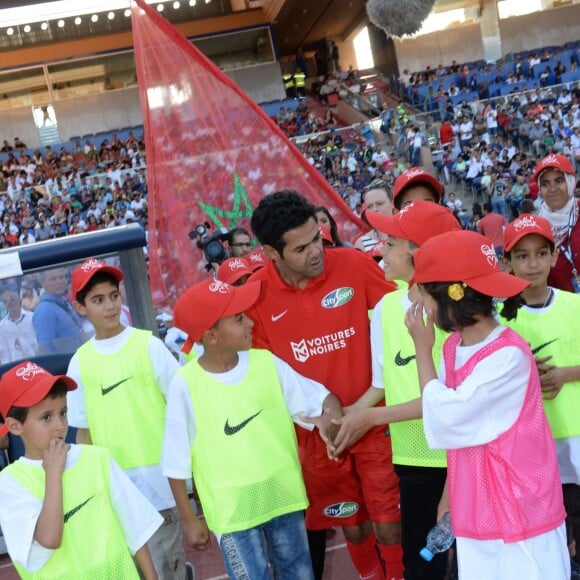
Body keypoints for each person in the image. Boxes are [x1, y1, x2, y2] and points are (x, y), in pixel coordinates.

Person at [247, 190, 402, 580]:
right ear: (270, 252)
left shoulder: (354, 265)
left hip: (373, 422)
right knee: (354, 525)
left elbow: (399, 320)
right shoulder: (255, 296)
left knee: (389, 522)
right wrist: (319, 419)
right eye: (301, 248)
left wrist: (368, 406)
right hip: (319, 439)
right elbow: (268, 375)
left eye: (317, 238)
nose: (316, 251)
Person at [405, 229, 569, 579]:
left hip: (520, 516)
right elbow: (457, 433)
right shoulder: (453, 347)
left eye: (424, 296)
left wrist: (421, 349)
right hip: (478, 510)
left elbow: (447, 418)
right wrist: (450, 498)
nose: (422, 308)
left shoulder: (507, 356)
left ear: (453, 295)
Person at [162, 279, 340, 579]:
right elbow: (175, 462)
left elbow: (320, 399)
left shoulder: (267, 363)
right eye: (239, 318)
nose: (250, 322)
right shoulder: (185, 385)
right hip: (232, 515)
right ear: (211, 335)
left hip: (283, 498)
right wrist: (189, 518)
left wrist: (328, 417)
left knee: (299, 575)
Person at [328, 201, 461, 580]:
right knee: (421, 564)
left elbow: (449, 401)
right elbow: (381, 385)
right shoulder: (386, 308)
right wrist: (347, 418)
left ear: (419, 252)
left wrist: (372, 416)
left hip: (457, 458)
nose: (380, 249)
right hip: (410, 458)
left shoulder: (455, 312)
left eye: (389, 243)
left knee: (465, 561)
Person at [65, 258, 191, 580]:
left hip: (161, 488)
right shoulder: (80, 364)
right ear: (81, 308)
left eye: (113, 296)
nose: (109, 306)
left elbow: (182, 409)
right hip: (116, 491)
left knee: (165, 568)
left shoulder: (148, 346)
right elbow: (84, 435)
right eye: (97, 300)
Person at [0, 360, 162, 578]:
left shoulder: (96, 458)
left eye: (63, 412)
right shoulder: (10, 483)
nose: (59, 424)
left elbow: (136, 529)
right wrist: (53, 474)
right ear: (14, 426)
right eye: (46, 417)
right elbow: (49, 538)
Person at [501, 214, 580, 575]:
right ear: (507, 262)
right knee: (554, 538)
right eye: (522, 256)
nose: (532, 264)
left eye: (540, 254)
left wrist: (566, 373)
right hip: (533, 447)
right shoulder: (498, 318)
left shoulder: (574, 306)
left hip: (577, 438)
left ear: (552, 258)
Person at [534, 154, 580, 292]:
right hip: (565, 309)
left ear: (570, 181)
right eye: (545, 184)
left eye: (559, 180)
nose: (552, 189)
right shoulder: (536, 229)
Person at [32, 267, 85, 355]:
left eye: (61, 277)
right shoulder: (45, 311)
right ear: (42, 283)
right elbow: (46, 351)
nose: (59, 282)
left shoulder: (63, 302)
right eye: (53, 279)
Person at [0, 285, 37, 363]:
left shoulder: (32, 317)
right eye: (5, 301)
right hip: (14, 366)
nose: (9, 303)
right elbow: (3, 350)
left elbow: (39, 341)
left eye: (12, 299)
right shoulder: (2, 326)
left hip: (36, 361)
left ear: (20, 300)